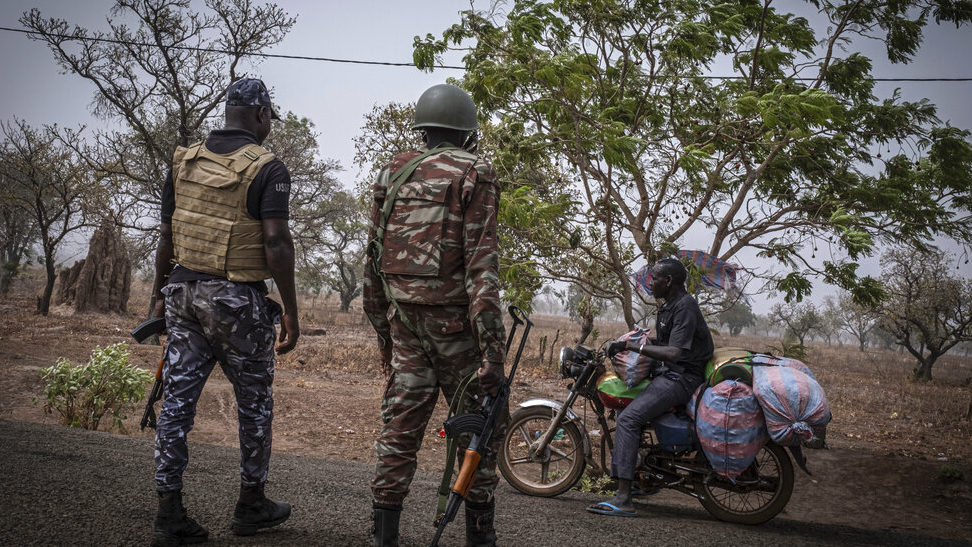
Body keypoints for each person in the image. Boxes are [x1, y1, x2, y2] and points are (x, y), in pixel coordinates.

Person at [150, 77, 300, 546]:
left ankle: (168, 513)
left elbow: (167, 238)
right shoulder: (269, 169)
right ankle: (250, 504)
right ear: (260, 115)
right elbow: (275, 243)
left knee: (176, 404)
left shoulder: (183, 162)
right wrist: (292, 311)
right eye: (271, 115)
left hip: (183, 294)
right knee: (254, 404)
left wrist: (157, 293)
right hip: (237, 303)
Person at [364, 83, 507, 547]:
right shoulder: (476, 172)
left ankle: (383, 535)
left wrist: (384, 333)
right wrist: (494, 355)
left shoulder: (394, 171)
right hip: (457, 331)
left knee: (400, 429)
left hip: (404, 324)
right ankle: (478, 537)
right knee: (478, 430)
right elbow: (482, 270)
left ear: (423, 129)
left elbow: (371, 258)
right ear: (468, 134)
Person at [588, 257, 713, 517]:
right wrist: (631, 340)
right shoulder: (670, 306)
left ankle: (623, 498)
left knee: (629, 419)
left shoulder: (685, 307)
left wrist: (633, 347)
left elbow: (674, 352)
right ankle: (640, 479)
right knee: (627, 411)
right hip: (670, 373)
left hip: (681, 377)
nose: (650, 282)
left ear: (668, 281)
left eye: (654, 278)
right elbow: (665, 341)